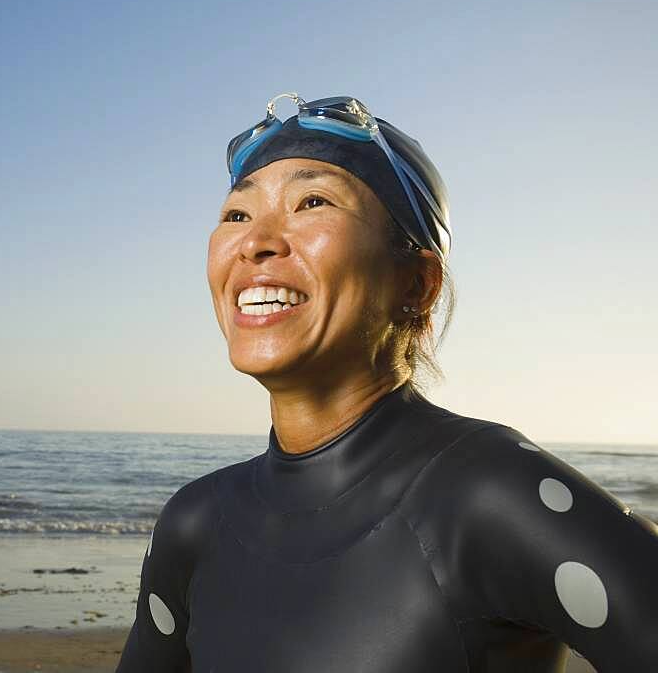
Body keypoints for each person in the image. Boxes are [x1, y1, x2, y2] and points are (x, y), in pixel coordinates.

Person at [114, 95, 658, 672]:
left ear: (417, 285)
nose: (256, 243)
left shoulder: (490, 494)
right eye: (237, 216)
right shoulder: (193, 522)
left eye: (312, 201)